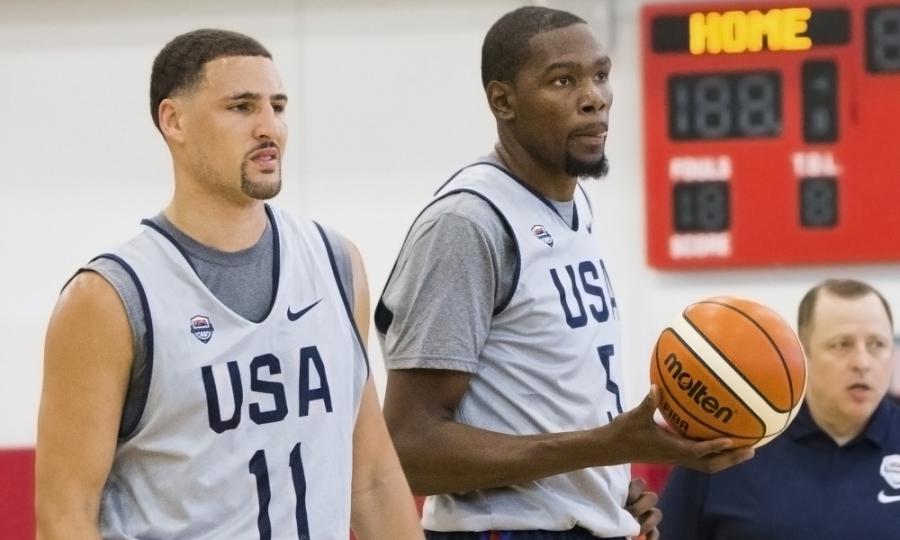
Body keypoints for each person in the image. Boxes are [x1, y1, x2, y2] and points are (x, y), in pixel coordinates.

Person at [375, 7, 754, 540]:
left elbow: (543, 405)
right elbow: (409, 449)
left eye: (600, 75)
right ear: (502, 101)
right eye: (563, 80)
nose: (594, 96)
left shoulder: (572, 208)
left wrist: (605, 489)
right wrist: (609, 447)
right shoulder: (469, 224)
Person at [35, 29, 422, 539]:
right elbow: (66, 517)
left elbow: (370, 478)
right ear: (174, 121)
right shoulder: (107, 299)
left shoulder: (336, 262)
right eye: (241, 107)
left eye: (278, 106)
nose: (270, 128)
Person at [658, 279, 900, 539]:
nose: (862, 363)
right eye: (841, 344)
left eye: (877, 344)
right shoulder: (730, 441)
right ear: (803, 352)